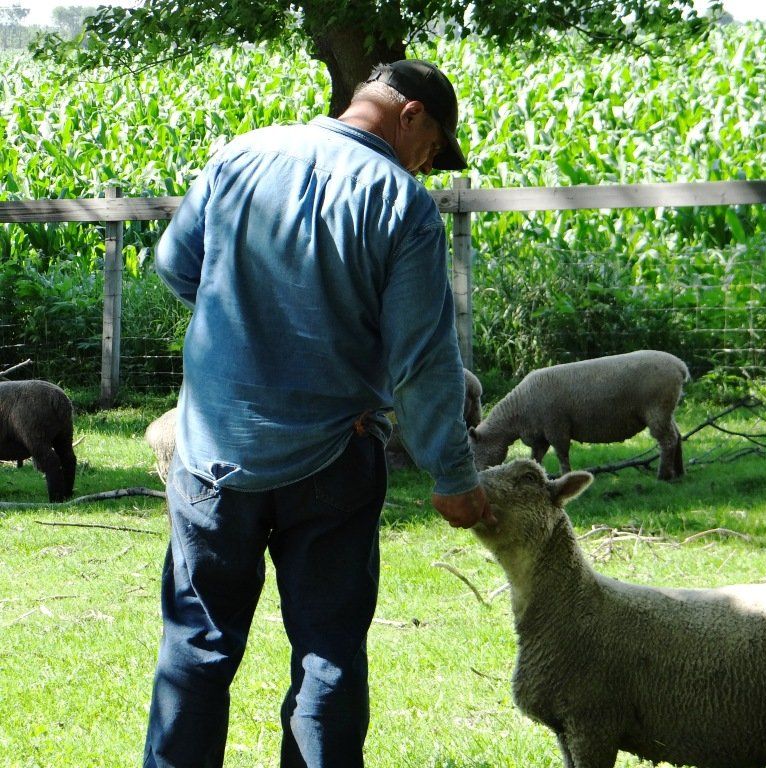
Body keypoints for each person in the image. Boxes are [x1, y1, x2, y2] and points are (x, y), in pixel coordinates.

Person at [143, 59, 496, 768]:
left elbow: (176, 267)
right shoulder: (400, 204)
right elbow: (424, 361)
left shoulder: (240, 155)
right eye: (434, 149)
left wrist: (245, 325)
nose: (428, 165)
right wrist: (454, 478)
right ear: (412, 115)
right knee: (327, 655)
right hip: (335, 457)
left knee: (197, 648)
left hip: (215, 454)